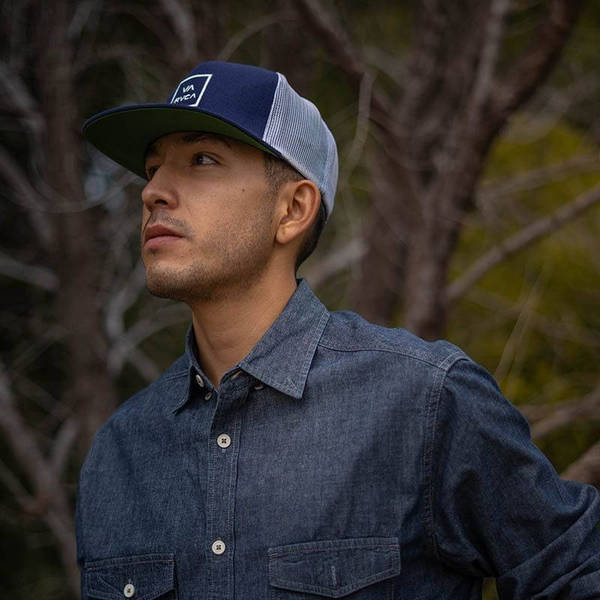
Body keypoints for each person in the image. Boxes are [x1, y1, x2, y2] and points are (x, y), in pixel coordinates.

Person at [76, 60, 600, 600]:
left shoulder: (426, 401)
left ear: (293, 209)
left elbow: (577, 572)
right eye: (153, 169)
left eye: (202, 160)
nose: (154, 192)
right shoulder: (118, 453)